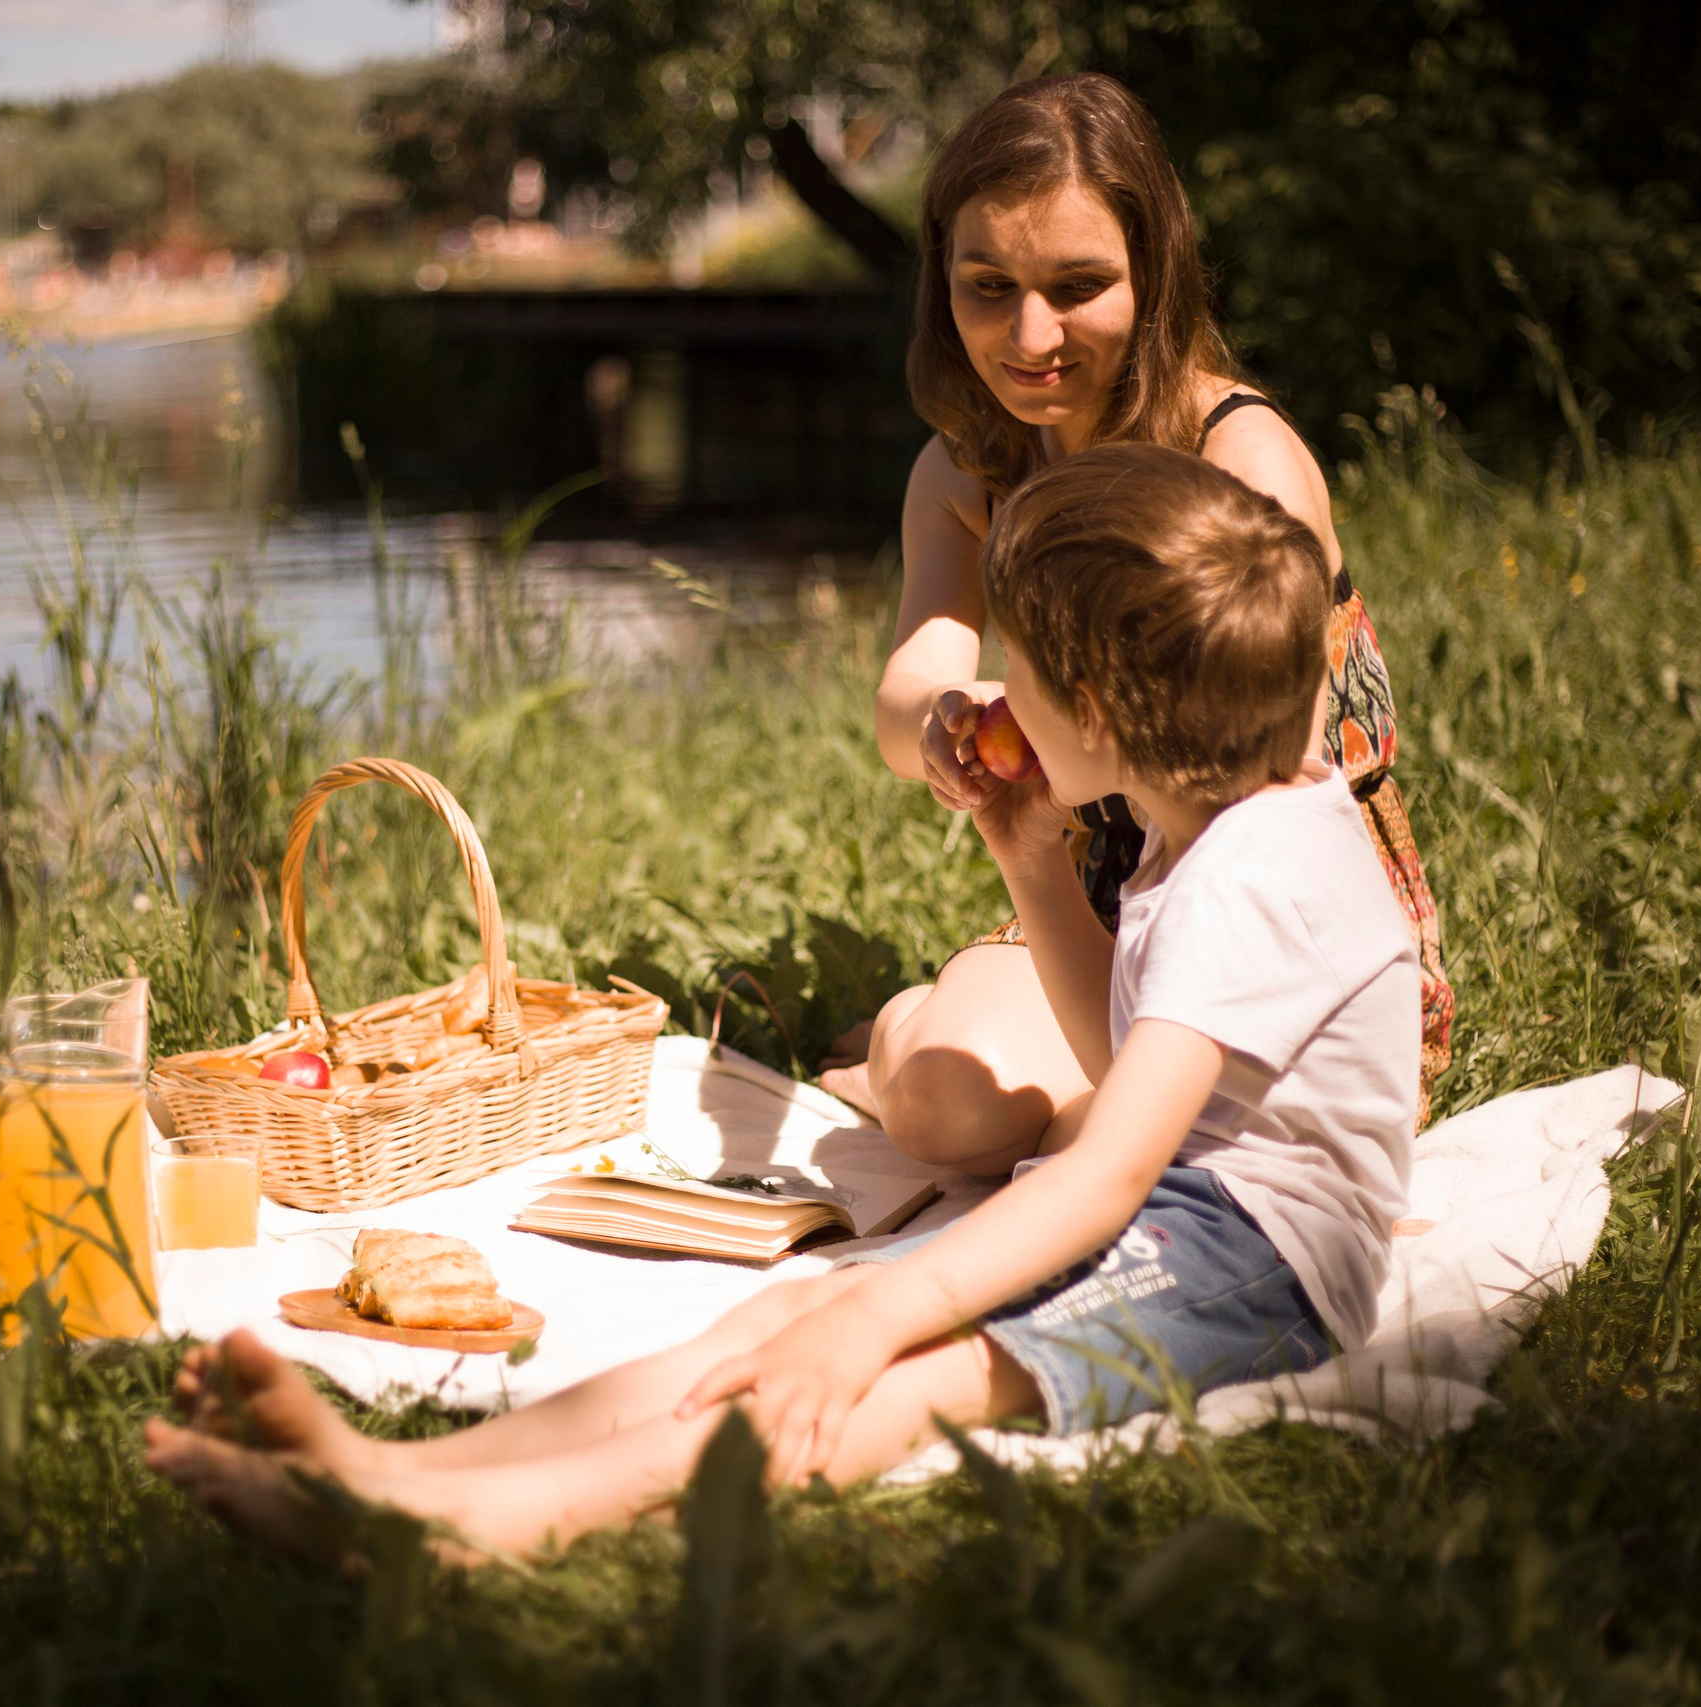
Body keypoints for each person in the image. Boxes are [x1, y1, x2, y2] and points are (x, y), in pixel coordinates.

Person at [143, 445, 1422, 1557]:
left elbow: (1108, 1174)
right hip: (1189, 1214)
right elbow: (1116, 1057)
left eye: (1021, 668)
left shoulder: (1246, 876)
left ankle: (464, 1534)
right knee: (788, 1314)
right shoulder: (1204, 816)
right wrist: (1032, 863)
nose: (998, 693)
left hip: (1254, 1264)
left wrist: (881, 1314)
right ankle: (393, 1474)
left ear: (1090, 711)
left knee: (888, 1382)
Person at [817, 72, 1451, 1161]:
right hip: (1093, 900)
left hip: (1271, 923)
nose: (1031, 334)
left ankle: (949, 1063)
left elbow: (1268, 810)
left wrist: (1058, 728)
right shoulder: (966, 471)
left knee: (1145, 1149)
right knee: (946, 1110)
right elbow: (905, 692)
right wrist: (948, 719)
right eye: (988, 286)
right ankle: (896, 1046)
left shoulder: (1237, 464)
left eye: (1078, 286)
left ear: (1152, 275)